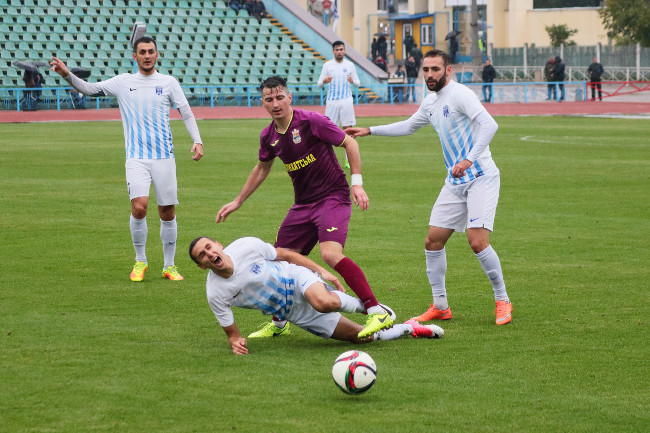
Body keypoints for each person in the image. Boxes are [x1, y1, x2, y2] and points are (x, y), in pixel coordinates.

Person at [216, 76, 394, 340]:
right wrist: (238, 201)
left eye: (280, 97)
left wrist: (357, 184)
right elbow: (262, 168)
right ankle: (279, 323)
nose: (276, 103)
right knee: (277, 260)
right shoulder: (268, 136)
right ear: (262, 104)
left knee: (330, 255)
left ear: (290, 98)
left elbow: (350, 142)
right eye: (269, 99)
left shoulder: (311, 121)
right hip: (303, 205)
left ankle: (375, 310)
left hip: (333, 197)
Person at [345, 49, 513, 326]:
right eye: (426, 70)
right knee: (433, 241)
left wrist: (469, 159)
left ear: (448, 70)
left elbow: (489, 124)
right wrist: (370, 130)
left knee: (477, 241)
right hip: (454, 182)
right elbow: (409, 126)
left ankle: (502, 299)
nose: (430, 75)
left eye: (435, 69)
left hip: (480, 176)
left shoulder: (460, 94)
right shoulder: (431, 101)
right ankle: (440, 306)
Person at [50, 37, 204, 282]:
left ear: (157, 55)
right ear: (135, 56)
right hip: (136, 158)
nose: (147, 56)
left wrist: (197, 140)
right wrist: (67, 74)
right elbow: (89, 89)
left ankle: (169, 266)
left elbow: (186, 112)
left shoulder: (168, 82)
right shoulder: (123, 82)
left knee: (167, 211)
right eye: (142, 52)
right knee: (139, 207)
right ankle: (140, 261)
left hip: (164, 157)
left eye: (151, 51)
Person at [189, 236, 443, 355]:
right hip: (294, 313)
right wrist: (236, 342)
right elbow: (232, 334)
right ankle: (409, 328)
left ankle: (374, 309)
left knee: (323, 302)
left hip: (296, 278)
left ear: (218, 245)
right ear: (202, 266)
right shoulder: (216, 293)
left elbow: (287, 255)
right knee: (363, 338)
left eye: (209, 247)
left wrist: (320, 270)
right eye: (203, 255)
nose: (209, 254)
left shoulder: (246, 246)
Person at [317, 41, 361, 169]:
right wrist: (324, 80)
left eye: (341, 49)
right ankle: (328, 159)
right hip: (332, 102)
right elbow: (319, 84)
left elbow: (358, 83)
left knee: (348, 129)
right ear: (333, 51)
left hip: (346, 101)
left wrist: (353, 81)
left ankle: (348, 159)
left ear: (344, 50)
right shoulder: (327, 65)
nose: (339, 52)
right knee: (328, 130)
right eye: (337, 50)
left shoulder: (350, 65)